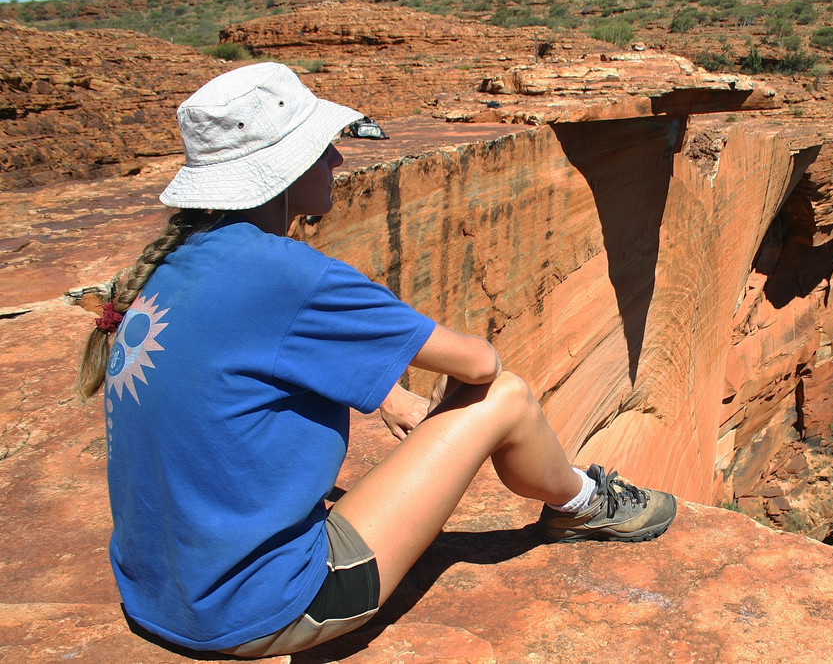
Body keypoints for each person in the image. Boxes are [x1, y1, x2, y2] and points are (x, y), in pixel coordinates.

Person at [76, 62, 676, 658]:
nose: (338, 161)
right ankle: (580, 506)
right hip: (264, 608)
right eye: (322, 147)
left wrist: (385, 389)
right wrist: (428, 391)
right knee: (507, 397)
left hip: (159, 596)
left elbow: (248, 358)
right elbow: (479, 364)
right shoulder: (289, 275)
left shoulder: (173, 262)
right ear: (283, 172)